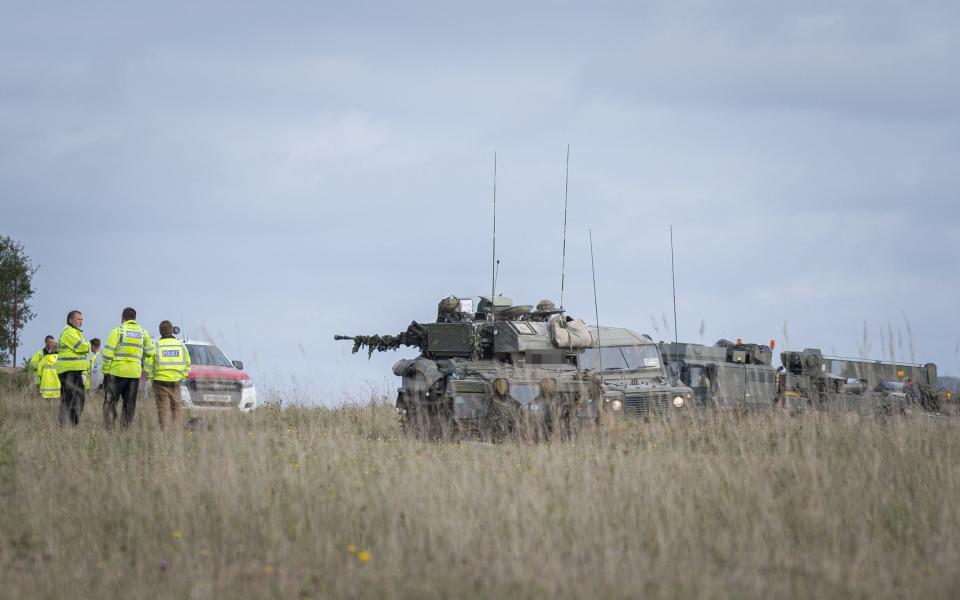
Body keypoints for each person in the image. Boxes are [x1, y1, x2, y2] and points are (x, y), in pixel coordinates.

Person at [102, 307, 154, 430]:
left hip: (116, 372)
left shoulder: (117, 331)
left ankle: (109, 429)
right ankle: (125, 430)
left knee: (110, 402)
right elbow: (151, 352)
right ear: (135, 318)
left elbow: (108, 352)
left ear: (123, 317)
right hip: (134, 374)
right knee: (130, 403)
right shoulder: (143, 333)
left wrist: (105, 370)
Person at [145, 320, 191, 430]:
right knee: (177, 408)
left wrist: (152, 378)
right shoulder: (181, 345)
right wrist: (182, 376)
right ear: (172, 331)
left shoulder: (156, 346)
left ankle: (165, 435)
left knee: (163, 409)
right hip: (176, 382)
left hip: (160, 382)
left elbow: (148, 365)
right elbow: (188, 363)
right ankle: (177, 433)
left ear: (160, 331)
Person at [56, 310, 91, 427]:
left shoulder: (75, 332)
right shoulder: (69, 332)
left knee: (78, 399)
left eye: (81, 319)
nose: (81, 321)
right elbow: (81, 346)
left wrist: (85, 345)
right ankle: (65, 425)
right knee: (69, 399)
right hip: (68, 370)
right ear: (70, 320)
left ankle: (70, 424)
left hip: (73, 371)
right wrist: (88, 345)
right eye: (78, 319)